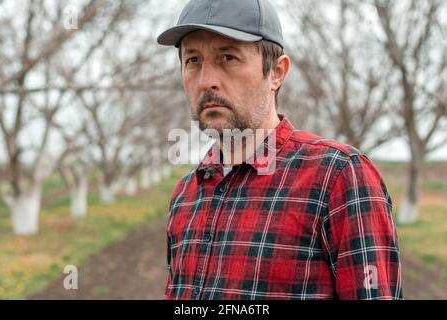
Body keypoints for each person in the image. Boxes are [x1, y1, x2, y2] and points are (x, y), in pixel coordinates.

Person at [157, 0, 402, 300]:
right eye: (193, 60)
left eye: (228, 57)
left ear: (276, 72)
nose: (207, 81)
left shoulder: (338, 177)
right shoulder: (185, 195)